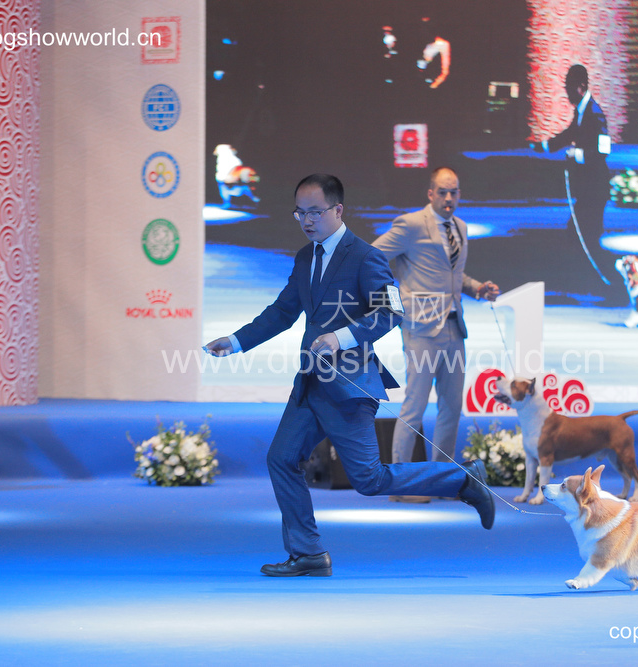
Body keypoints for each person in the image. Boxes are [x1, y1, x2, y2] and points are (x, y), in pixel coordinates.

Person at [205, 174, 494, 577]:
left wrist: (341, 337)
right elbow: (282, 312)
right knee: (282, 459)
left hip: (349, 386)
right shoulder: (305, 257)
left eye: (315, 212)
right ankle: (308, 552)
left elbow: (390, 312)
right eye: (300, 213)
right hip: (311, 383)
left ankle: (462, 479)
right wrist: (236, 341)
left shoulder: (365, 256)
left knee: (368, 479)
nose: (307, 220)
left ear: (338, 210)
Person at [373, 167, 499, 503]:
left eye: (454, 192)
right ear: (430, 193)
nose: (448, 198)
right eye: (442, 191)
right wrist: (392, 299)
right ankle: (400, 485)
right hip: (421, 329)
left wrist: (477, 288)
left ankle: (441, 481)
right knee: (414, 407)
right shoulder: (411, 224)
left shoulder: (460, 227)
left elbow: (453, 276)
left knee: (451, 408)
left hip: (454, 327)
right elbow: (372, 256)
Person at [541, 64, 613, 285]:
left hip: (596, 188)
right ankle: (593, 281)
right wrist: (546, 146)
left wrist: (577, 154)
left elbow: (603, 150)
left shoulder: (595, 114)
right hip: (588, 188)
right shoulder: (582, 110)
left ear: (581, 87)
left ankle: (604, 282)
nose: (567, 93)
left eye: (569, 88)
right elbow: (571, 133)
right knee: (581, 234)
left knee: (584, 235)